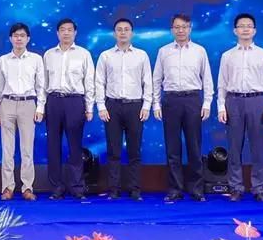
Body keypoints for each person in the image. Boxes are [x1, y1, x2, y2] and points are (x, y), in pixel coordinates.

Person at [217, 13, 263, 202]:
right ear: (235, 30)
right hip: (233, 101)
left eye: (249, 26)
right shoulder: (227, 56)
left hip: (256, 102)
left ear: (254, 30)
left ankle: (259, 188)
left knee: (258, 147)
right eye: (241, 26)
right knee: (234, 147)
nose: (245, 29)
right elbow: (222, 83)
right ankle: (236, 187)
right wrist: (221, 107)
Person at [153, 14, 214, 202]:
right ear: (172, 29)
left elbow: (207, 79)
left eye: (184, 27)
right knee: (173, 148)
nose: (181, 30)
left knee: (194, 147)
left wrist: (206, 103)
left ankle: (196, 189)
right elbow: (156, 79)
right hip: (171, 100)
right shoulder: (164, 51)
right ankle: (175, 189)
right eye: (177, 27)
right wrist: (156, 103)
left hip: (193, 100)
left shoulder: (199, 51)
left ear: (190, 28)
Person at [95, 18, 153, 201]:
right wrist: (101, 106)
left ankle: (135, 189)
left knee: (135, 150)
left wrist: (146, 105)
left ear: (132, 33)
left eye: (126, 29)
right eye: (119, 29)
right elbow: (99, 82)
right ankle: (114, 189)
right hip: (112, 106)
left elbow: (148, 82)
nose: (122, 32)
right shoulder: (105, 56)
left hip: (135, 106)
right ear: (114, 34)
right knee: (113, 150)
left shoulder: (141, 55)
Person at [43, 18, 94, 200]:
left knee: (75, 146)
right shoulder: (49, 55)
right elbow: (43, 84)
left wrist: (89, 107)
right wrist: (42, 106)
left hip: (75, 101)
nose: (66, 33)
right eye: (62, 30)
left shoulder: (83, 54)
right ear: (57, 33)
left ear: (75, 33)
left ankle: (77, 186)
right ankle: (56, 186)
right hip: (53, 101)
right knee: (53, 145)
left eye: (69, 30)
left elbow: (89, 82)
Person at [0, 23, 45, 201]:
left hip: (28, 103)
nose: (19, 39)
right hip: (7, 103)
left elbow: (41, 86)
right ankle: (7, 187)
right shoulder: (2, 60)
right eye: (15, 35)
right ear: (10, 38)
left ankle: (27, 187)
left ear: (28, 38)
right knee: (7, 149)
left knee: (27, 149)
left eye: (22, 35)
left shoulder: (36, 59)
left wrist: (40, 108)